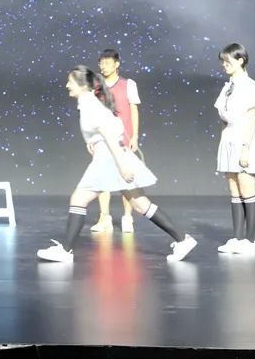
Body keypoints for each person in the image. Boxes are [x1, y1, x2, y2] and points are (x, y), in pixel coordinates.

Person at [37, 65, 197, 263]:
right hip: (112, 154)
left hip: (110, 157)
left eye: (70, 82)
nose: (66, 85)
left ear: (82, 85)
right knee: (140, 204)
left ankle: (66, 250)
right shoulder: (90, 104)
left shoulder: (90, 105)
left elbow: (109, 135)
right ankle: (183, 240)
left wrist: (121, 165)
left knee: (79, 198)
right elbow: (107, 129)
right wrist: (93, 141)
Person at [214, 43, 255, 255]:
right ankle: (237, 238)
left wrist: (245, 148)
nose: (224, 64)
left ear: (240, 60)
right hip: (229, 138)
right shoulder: (227, 87)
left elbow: (252, 118)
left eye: (228, 61)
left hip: (244, 138)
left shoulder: (250, 85)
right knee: (234, 189)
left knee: (246, 187)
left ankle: (250, 241)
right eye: (222, 61)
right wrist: (224, 139)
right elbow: (223, 117)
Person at [90, 49, 141, 234]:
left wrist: (135, 136)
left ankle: (127, 217)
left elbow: (134, 110)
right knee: (103, 178)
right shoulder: (96, 86)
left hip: (123, 138)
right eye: (101, 63)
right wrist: (92, 137)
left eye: (107, 63)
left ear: (116, 64)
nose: (103, 66)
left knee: (126, 178)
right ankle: (105, 218)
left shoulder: (128, 85)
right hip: (102, 138)